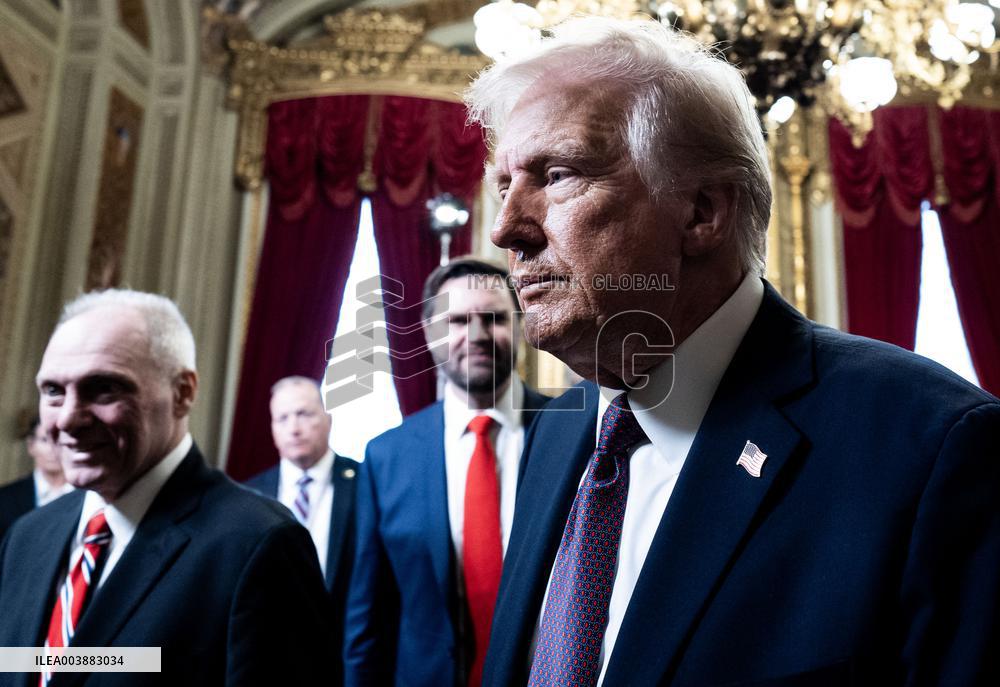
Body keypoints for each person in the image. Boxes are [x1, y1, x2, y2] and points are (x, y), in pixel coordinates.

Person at [464, 16, 1000, 687]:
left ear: (702, 213)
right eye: (504, 186)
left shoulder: (933, 449)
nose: (506, 228)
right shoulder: (557, 434)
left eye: (558, 173)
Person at [0, 289, 333, 685]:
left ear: (183, 392)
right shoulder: (28, 537)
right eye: (53, 391)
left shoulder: (257, 546)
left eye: (104, 388)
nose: (68, 419)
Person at [344, 257, 551, 687]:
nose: (475, 336)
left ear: (521, 326)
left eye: (493, 318)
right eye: (458, 320)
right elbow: (369, 616)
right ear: (429, 333)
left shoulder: (571, 430)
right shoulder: (386, 457)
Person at [245, 375, 359, 684]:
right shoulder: (249, 495)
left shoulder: (364, 483)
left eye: (304, 414)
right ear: (272, 428)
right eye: (282, 418)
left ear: (328, 419)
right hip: (268, 661)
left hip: (343, 659)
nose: (293, 428)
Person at [0, 417, 73, 541]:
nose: (53, 449)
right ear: (31, 445)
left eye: (61, 442)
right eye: (45, 440)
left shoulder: (89, 497)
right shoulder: (4, 498)